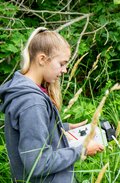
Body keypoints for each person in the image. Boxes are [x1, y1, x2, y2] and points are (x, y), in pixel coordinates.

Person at [0, 27, 104, 183]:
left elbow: (31, 130)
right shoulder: (32, 102)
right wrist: (81, 150)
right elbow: (38, 163)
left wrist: (62, 128)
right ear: (42, 59)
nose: (65, 70)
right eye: (62, 64)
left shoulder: (29, 90)